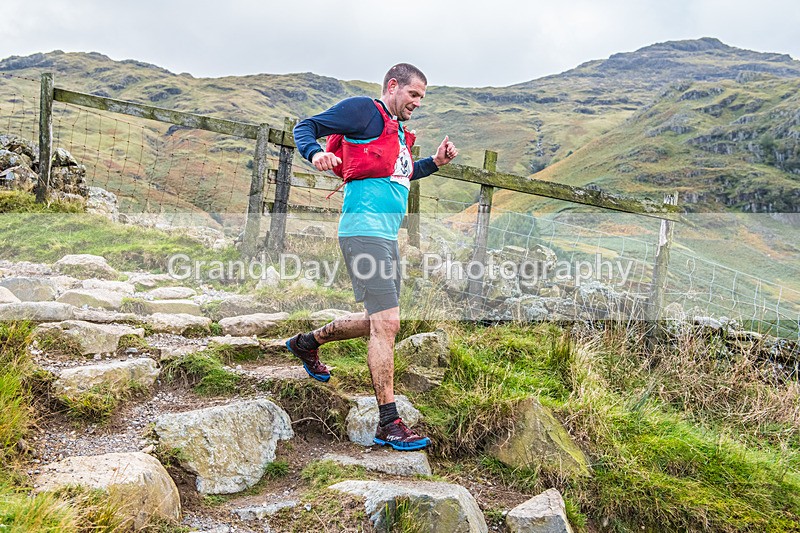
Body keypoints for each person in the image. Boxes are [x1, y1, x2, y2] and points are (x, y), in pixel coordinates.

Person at [286, 63, 458, 451]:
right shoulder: (365, 111)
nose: (417, 103)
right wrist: (315, 154)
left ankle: (305, 343)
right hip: (363, 233)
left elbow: (401, 173)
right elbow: (305, 126)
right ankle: (388, 422)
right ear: (393, 86)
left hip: (384, 237)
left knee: (376, 322)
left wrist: (435, 163)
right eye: (413, 95)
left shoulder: (397, 132)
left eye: (421, 98)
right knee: (388, 323)